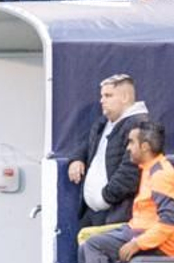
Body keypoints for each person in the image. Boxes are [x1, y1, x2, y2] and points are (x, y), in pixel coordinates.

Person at [73, 122, 174, 263]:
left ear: (145, 146)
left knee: (94, 246)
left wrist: (137, 244)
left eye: (131, 142)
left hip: (155, 242)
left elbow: (169, 222)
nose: (128, 147)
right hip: (138, 231)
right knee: (85, 245)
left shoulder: (161, 175)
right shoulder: (149, 170)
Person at [64, 74, 152, 227]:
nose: (101, 100)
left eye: (108, 95)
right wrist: (77, 158)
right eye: (102, 95)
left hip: (116, 214)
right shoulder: (104, 122)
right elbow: (88, 143)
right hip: (94, 213)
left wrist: (104, 198)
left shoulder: (141, 125)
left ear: (124, 97)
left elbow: (131, 172)